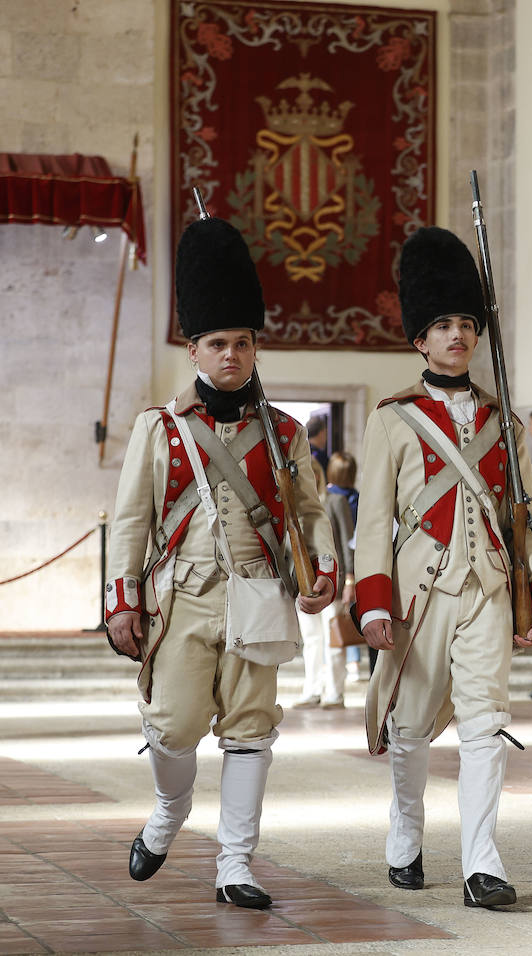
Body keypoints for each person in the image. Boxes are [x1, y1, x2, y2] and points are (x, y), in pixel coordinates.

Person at [105, 215, 336, 909]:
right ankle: (169, 811)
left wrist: (323, 564)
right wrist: (122, 600)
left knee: (250, 730)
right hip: (180, 599)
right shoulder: (161, 429)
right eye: (216, 344)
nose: (230, 355)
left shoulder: (285, 433)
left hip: (259, 597)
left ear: (256, 347)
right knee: (172, 725)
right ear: (194, 350)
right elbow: (130, 522)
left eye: (241, 343)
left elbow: (311, 512)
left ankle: (235, 865)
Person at [354, 227, 532, 910]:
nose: (459, 335)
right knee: (409, 726)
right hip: (418, 592)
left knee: (485, 722)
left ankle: (481, 865)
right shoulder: (393, 420)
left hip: (489, 591)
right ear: (420, 340)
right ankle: (406, 831)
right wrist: (373, 602)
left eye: (467, 324)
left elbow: (527, 516)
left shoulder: (505, 423)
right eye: (443, 325)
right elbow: (374, 522)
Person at [294, 459, 347, 709]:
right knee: (312, 640)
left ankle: (335, 692)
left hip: (332, 581)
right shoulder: (292, 505)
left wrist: (349, 579)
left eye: (314, 473)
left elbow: (347, 542)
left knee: (333, 640)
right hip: (303, 583)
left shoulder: (334, 501)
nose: (311, 478)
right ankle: (312, 689)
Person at [325, 452, 368, 683]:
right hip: (355, 562)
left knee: (337, 619)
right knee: (348, 614)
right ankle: (352, 661)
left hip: (340, 569)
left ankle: (342, 672)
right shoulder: (357, 498)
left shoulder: (333, 499)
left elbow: (344, 538)